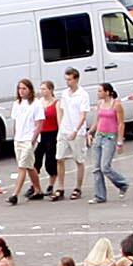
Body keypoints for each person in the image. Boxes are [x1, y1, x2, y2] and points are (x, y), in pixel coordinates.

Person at [53, 70, 91, 203]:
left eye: (70, 79)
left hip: (77, 132)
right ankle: (60, 187)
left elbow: (83, 115)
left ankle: (78, 187)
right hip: (64, 130)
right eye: (66, 79)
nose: (67, 82)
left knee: (79, 160)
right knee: (59, 158)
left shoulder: (83, 95)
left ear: (76, 79)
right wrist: (61, 127)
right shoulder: (65, 93)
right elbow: (61, 110)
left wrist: (76, 130)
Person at [6, 80, 45, 204]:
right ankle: (38, 190)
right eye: (20, 88)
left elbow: (39, 123)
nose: (21, 91)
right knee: (29, 166)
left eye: (24, 88)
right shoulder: (17, 104)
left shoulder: (36, 104)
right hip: (19, 138)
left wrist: (33, 139)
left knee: (22, 166)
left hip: (29, 139)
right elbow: (16, 121)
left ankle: (15, 194)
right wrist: (15, 137)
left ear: (30, 89)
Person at [90, 84, 129, 204]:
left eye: (100, 91)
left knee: (105, 167)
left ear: (107, 92)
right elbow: (97, 120)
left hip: (110, 137)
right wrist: (90, 131)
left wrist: (120, 141)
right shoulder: (100, 103)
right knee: (96, 168)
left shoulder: (116, 104)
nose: (98, 93)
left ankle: (122, 183)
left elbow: (121, 123)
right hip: (99, 135)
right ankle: (100, 195)